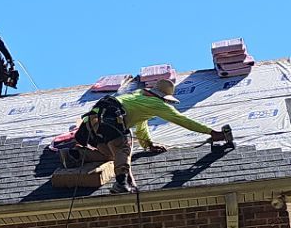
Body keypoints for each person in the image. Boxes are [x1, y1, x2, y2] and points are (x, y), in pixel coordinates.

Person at [61, 76, 232, 195]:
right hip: (111, 117)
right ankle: (121, 183)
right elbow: (181, 119)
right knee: (123, 147)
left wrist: (148, 145)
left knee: (110, 154)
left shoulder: (139, 96)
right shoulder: (156, 103)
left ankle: (75, 155)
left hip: (93, 121)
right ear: (164, 98)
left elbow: (141, 126)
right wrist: (212, 133)